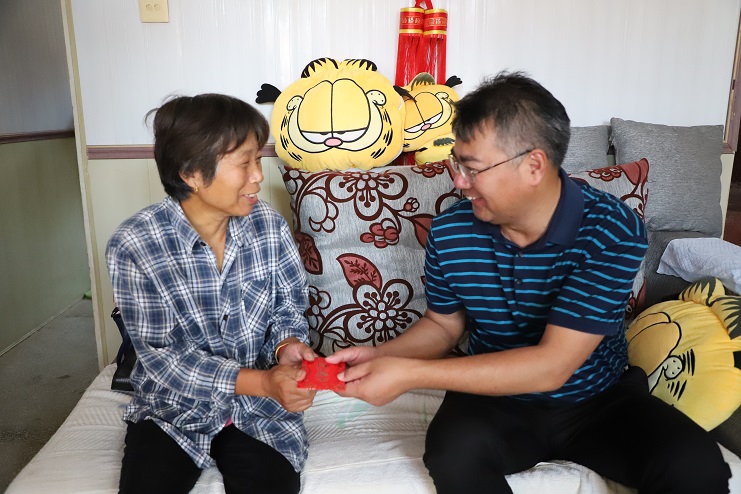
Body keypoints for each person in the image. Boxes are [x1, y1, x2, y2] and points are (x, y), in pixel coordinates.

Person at [327, 72, 732, 493]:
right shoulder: (449, 231)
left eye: (472, 168)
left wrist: (409, 374)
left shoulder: (610, 229)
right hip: (494, 401)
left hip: (598, 401)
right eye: (456, 163)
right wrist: (378, 358)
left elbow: (552, 366)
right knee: (453, 454)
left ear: (534, 165)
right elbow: (443, 325)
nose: (458, 182)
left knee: (695, 464)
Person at [106, 93, 316, 494]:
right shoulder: (135, 244)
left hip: (257, 411)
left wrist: (287, 346)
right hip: (171, 409)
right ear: (192, 174)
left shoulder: (268, 226)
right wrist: (264, 382)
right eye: (245, 163)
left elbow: (287, 308)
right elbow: (164, 359)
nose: (259, 176)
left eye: (259, 160)